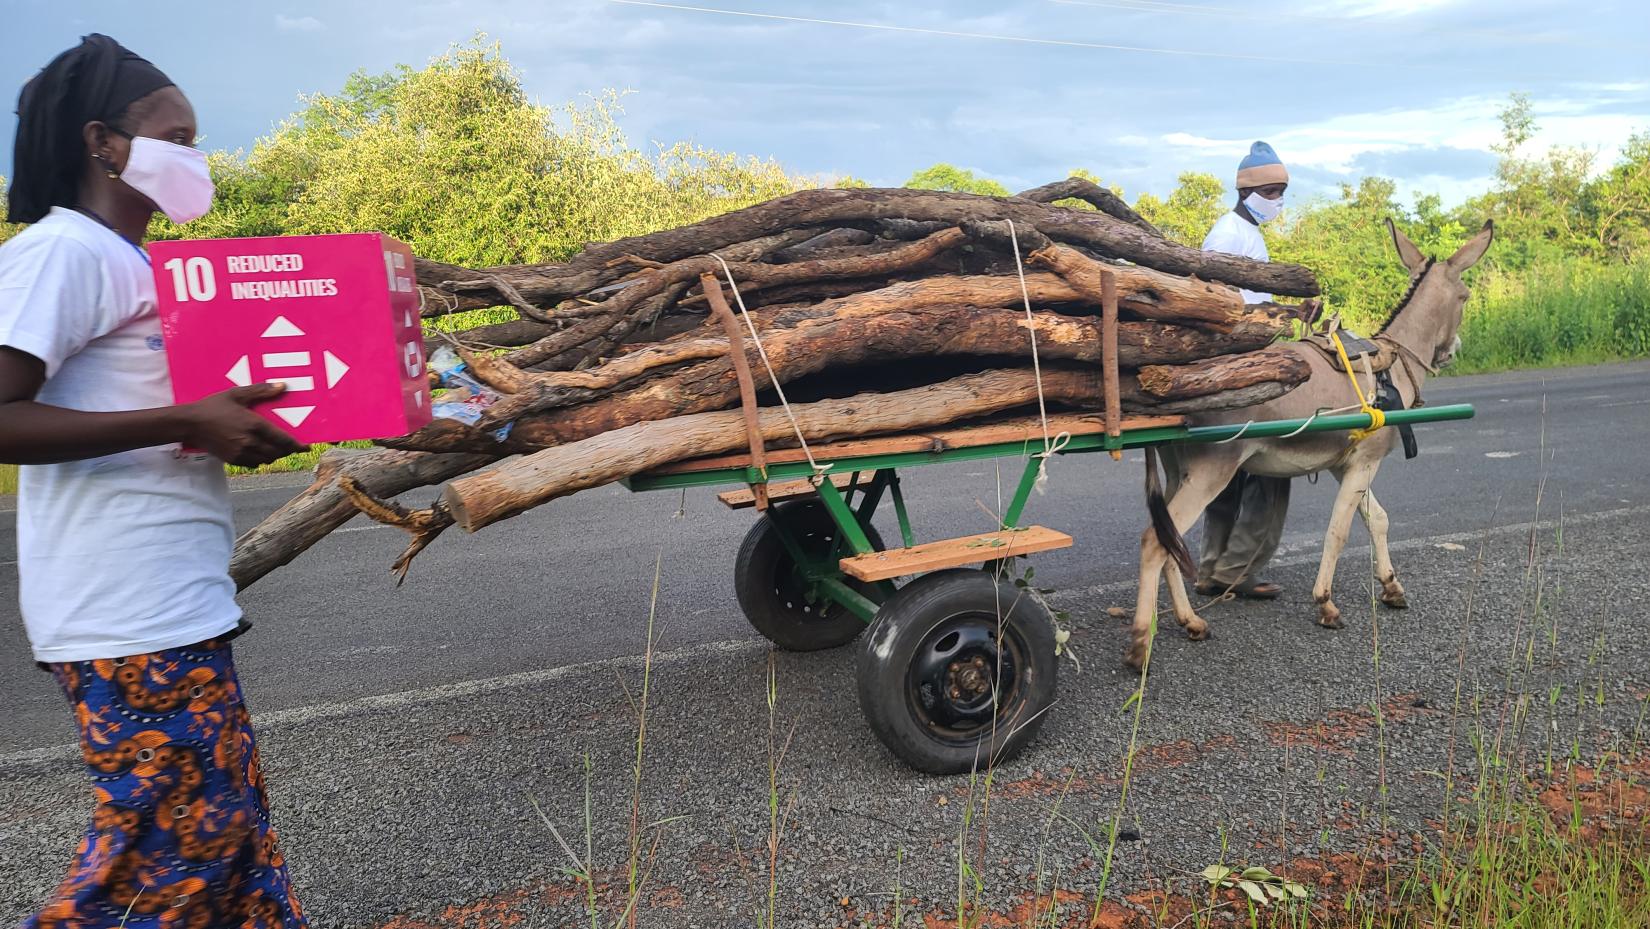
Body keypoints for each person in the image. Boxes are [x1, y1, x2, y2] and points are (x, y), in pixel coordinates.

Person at [1, 35, 309, 928]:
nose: (196, 156)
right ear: (104, 142)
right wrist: (185, 419)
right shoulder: (63, 254)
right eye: (177, 135)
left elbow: (174, 418)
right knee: (162, 866)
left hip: (176, 605)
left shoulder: (141, 269)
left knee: (234, 845)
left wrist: (228, 428)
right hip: (122, 615)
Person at [1194, 141, 1294, 599]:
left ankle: (1213, 568)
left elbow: (1258, 302)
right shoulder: (1228, 236)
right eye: (1273, 192)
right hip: (1238, 361)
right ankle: (1236, 569)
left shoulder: (1251, 233)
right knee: (1273, 468)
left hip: (1249, 353)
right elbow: (1218, 303)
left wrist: (1288, 312)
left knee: (1228, 469)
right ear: (1249, 191)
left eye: (1280, 193)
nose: (1277, 202)